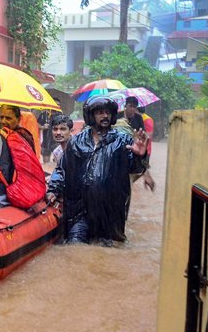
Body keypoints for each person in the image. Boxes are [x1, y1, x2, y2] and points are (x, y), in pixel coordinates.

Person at [46, 95, 148, 245]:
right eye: (100, 112)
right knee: (74, 247)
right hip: (80, 211)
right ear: (91, 115)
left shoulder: (123, 141)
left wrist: (140, 155)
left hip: (110, 212)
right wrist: (53, 190)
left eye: (107, 112)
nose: (105, 115)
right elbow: (63, 169)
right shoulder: (76, 141)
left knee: (109, 251)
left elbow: (135, 169)